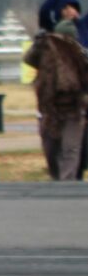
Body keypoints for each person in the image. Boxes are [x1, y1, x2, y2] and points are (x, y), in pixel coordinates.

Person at [24, 10, 88, 181]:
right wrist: (38, 43)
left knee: (71, 148)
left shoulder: (79, 54)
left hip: (74, 109)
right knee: (51, 149)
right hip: (49, 107)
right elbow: (29, 59)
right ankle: (57, 178)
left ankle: (67, 183)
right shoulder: (45, 51)